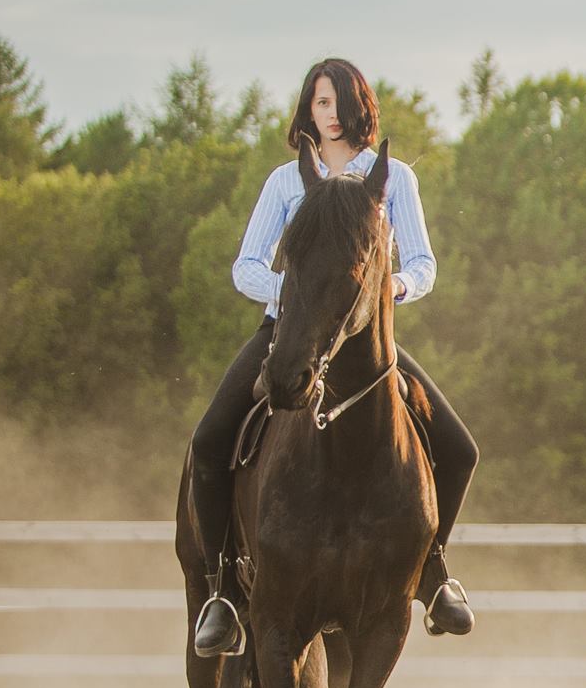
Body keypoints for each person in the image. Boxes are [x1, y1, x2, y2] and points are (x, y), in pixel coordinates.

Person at [186, 58, 479, 657]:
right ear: (307, 111)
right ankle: (221, 589)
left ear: (361, 107)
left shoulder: (393, 179)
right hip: (286, 333)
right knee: (208, 441)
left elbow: (423, 264)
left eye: (342, 101)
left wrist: (390, 288)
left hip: (365, 340)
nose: (333, 114)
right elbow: (246, 266)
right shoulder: (283, 183)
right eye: (321, 103)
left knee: (458, 448)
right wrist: (297, 299)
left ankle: (433, 572)